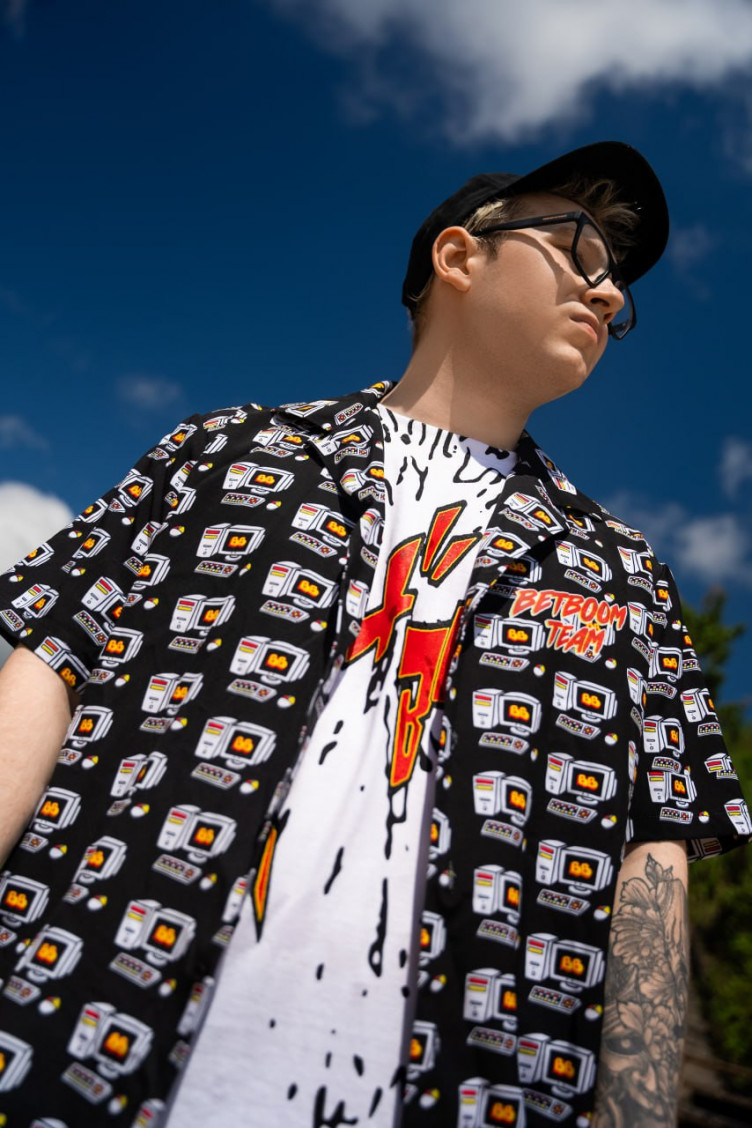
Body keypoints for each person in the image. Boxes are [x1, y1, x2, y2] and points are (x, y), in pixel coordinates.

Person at [0, 140, 749, 1128]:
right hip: (77, 1041)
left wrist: (638, 1117)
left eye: (620, 287)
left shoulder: (621, 571)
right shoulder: (225, 452)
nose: (607, 295)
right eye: (578, 249)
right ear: (459, 254)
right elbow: (48, 669)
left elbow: (654, 849)